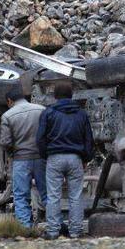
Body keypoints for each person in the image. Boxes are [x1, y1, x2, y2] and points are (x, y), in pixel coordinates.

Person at [37, 81, 94, 239]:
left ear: (55, 96)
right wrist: (86, 158)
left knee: (53, 196)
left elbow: (40, 138)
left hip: (54, 158)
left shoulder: (48, 113)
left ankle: (53, 231)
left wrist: (45, 155)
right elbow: (89, 139)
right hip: (75, 158)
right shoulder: (81, 113)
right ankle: (75, 231)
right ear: (71, 95)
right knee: (75, 196)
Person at [0, 84, 47, 228]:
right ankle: (54, 226)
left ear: (9, 101)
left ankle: (26, 229)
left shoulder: (8, 115)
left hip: (20, 160)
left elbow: (5, 142)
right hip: (41, 159)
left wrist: (12, 153)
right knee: (47, 194)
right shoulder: (42, 110)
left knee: (21, 197)